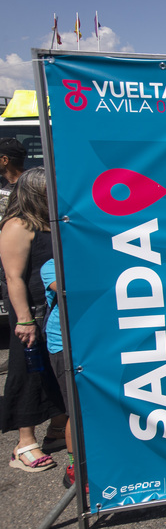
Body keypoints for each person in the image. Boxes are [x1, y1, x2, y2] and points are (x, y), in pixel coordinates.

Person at [0, 168, 66, 472]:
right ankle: (24, 443)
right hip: (31, 311)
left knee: (56, 370)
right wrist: (24, 319)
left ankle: (56, 431)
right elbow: (13, 277)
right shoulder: (17, 225)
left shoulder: (50, 223)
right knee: (28, 373)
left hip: (53, 308)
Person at [40, 258, 76, 486]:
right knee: (77, 409)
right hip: (64, 344)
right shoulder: (53, 264)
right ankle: (76, 467)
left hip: (98, 341)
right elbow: (65, 288)